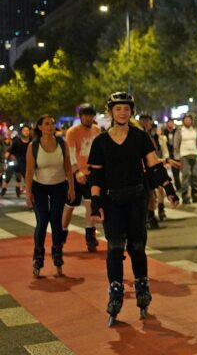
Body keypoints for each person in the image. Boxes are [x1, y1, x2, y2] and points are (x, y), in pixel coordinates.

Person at [88, 92, 179, 326]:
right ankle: (115, 292)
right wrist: (95, 202)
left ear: (131, 112)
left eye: (126, 109)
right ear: (110, 112)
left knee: (137, 247)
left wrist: (169, 189)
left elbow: (154, 166)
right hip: (111, 200)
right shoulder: (100, 142)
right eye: (118, 109)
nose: (122, 112)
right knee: (115, 247)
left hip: (137, 198)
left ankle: (142, 287)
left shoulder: (140, 137)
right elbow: (96, 175)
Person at [25, 115, 74, 278]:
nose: (50, 126)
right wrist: (28, 192)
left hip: (59, 186)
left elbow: (68, 167)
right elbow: (29, 171)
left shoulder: (62, 143)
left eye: (52, 124)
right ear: (40, 127)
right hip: (39, 186)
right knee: (43, 220)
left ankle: (57, 256)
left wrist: (71, 187)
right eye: (46, 124)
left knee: (56, 220)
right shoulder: (33, 146)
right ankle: (38, 258)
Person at [65, 103, 102, 252]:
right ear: (80, 116)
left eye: (90, 115)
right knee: (69, 206)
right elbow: (70, 153)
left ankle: (90, 237)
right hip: (76, 174)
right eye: (85, 115)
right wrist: (76, 172)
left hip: (92, 173)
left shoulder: (97, 130)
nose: (88, 118)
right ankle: (61, 233)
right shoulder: (72, 132)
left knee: (90, 205)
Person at [174, 113, 197, 205]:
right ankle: (185, 195)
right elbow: (176, 145)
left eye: (189, 119)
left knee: (196, 174)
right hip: (184, 155)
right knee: (186, 175)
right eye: (186, 119)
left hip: (195, 154)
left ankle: (195, 194)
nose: (188, 121)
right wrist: (177, 157)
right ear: (183, 121)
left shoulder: (195, 130)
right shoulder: (180, 131)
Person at [1, 125, 30, 198]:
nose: (26, 132)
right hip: (15, 162)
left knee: (23, 178)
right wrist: (8, 155)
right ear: (21, 132)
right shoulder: (16, 141)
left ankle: (20, 190)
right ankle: (4, 189)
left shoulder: (31, 142)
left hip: (25, 163)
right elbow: (10, 149)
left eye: (27, 130)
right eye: (24, 130)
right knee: (8, 176)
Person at [164, 118, 181, 192]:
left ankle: (178, 186)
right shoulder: (164, 132)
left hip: (175, 153)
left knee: (176, 170)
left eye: (172, 122)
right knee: (166, 172)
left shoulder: (176, 132)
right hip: (167, 153)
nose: (171, 124)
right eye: (169, 122)